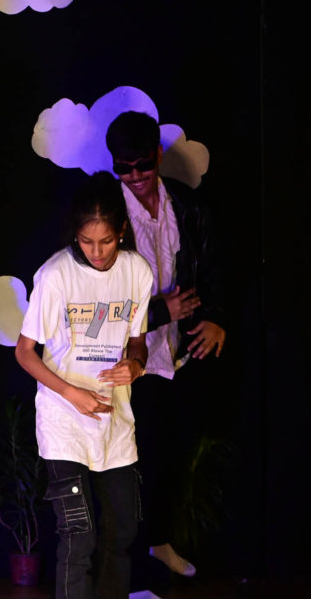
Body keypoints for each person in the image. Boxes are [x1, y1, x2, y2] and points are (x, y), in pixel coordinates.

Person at [15, 171, 153, 599]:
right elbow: (24, 352)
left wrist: (136, 366)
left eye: (106, 241)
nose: (96, 251)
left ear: (122, 231)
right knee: (79, 535)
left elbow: (138, 342)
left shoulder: (137, 271)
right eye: (86, 241)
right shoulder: (56, 275)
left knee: (122, 531)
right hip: (64, 422)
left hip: (115, 421)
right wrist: (71, 394)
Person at [106, 111, 226, 578]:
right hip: (130, 360)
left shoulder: (187, 205)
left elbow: (214, 266)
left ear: (158, 155)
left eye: (142, 164)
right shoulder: (106, 213)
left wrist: (215, 318)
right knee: (130, 465)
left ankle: (158, 545)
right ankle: (131, 565)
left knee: (173, 458)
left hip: (180, 355)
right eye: (124, 167)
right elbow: (94, 300)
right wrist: (159, 312)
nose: (135, 175)